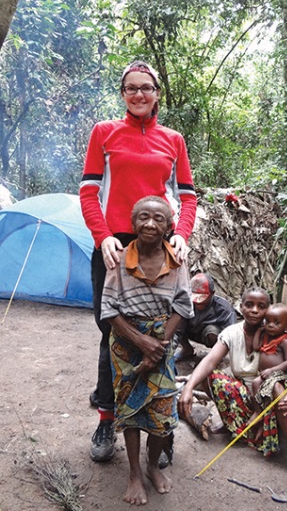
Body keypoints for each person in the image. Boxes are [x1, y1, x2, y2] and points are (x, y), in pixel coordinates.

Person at [80, 60, 197, 462]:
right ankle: (107, 419)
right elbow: (88, 192)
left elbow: (187, 196)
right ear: (123, 93)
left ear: (157, 93)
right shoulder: (104, 133)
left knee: (166, 329)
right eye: (131, 88)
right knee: (111, 332)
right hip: (115, 244)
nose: (139, 94)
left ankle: (160, 427)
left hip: (161, 243)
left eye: (146, 88)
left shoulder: (173, 139)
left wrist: (180, 234)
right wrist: (103, 237)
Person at [178, 287, 287, 497]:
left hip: (270, 404)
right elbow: (210, 360)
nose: (255, 310)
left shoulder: (277, 335)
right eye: (249, 305)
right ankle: (235, 425)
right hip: (246, 399)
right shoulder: (232, 333)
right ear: (241, 306)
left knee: (274, 383)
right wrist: (189, 388)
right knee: (209, 376)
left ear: (269, 309)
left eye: (261, 306)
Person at [101, 196, 193, 505]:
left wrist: (159, 345)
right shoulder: (119, 259)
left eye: (158, 218)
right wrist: (142, 343)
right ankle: (134, 474)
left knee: (161, 411)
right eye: (143, 217)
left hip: (162, 343)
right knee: (129, 410)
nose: (150, 223)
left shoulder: (178, 260)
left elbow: (182, 305)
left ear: (169, 227)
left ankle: (153, 465)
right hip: (126, 344)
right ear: (132, 223)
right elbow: (109, 309)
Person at [247, 303, 287, 440]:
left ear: (286, 326)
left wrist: (272, 370)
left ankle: (262, 415)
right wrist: (259, 332)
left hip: (279, 375)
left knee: (258, 384)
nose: (270, 325)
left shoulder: (284, 341)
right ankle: (258, 412)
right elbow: (256, 347)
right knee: (255, 384)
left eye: (276, 323)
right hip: (265, 375)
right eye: (268, 321)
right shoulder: (266, 336)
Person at [175, 273, 237, 361]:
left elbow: (233, 335)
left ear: (212, 294)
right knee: (176, 321)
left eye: (202, 298)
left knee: (212, 332)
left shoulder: (224, 309)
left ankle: (216, 355)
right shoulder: (185, 302)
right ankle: (187, 349)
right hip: (190, 331)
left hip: (210, 336)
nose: (198, 303)